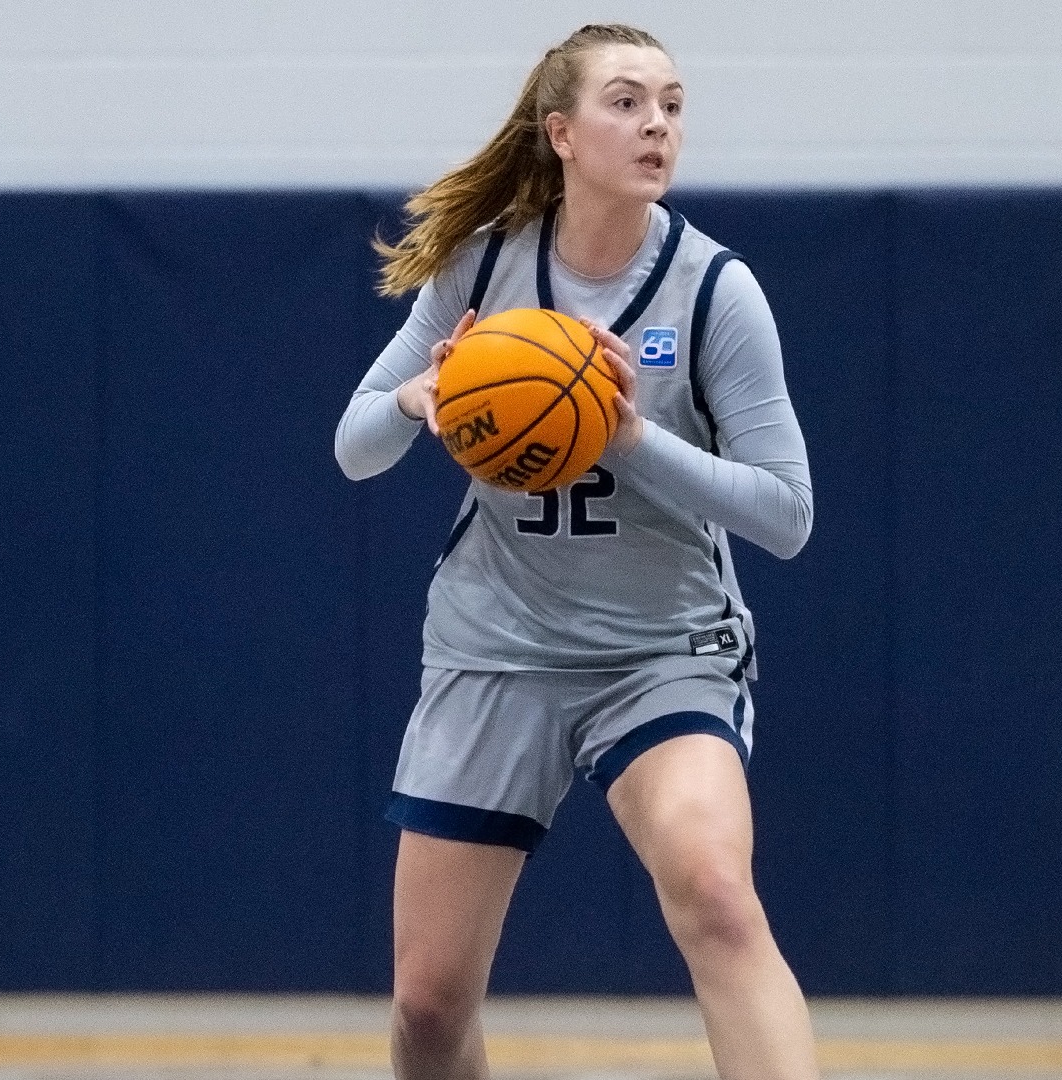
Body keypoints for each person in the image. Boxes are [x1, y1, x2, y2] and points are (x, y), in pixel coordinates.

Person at [334, 23, 817, 1080]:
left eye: (674, 105)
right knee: (425, 1008)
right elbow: (353, 448)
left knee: (720, 899)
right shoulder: (483, 266)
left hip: (664, 651)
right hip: (495, 649)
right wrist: (418, 398)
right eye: (630, 102)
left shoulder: (713, 292)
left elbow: (787, 515)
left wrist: (630, 436)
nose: (658, 125)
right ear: (561, 132)